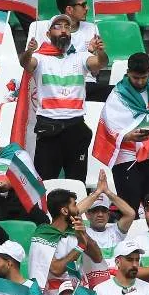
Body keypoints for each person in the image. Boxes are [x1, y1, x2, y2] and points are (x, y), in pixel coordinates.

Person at [19, 14, 108, 181]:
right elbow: (26, 63)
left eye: (67, 27)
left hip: (75, 126)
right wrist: (29, 51)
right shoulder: (40, 57)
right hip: (49, 127)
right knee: (45, 181)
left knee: (77, 180)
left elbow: (100, 63)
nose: (64, 30)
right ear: (48, 34)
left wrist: (100, 51)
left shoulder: (80, 56)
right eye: (58, 27)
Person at [97, 53, 149, 212]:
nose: (140, 81)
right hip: (126, 158)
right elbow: (109, 127)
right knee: (129, 209)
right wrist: (128, 136)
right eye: (135, 77)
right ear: (128, 72)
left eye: (144, 77)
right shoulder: (117, 95)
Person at [28, 189, 102, 295]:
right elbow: (56, 269)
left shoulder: (75, 231)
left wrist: (84, 235)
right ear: (64, 211)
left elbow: (98, 257)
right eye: (74, 205)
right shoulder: (43, 234)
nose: (78, 210)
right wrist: (80, 246)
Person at [77, 181, 136, 288]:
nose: (100, 214)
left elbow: (130, 214)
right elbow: (74, 213)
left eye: (104, 211)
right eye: (95, 211)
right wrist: (98, 192)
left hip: (116, 286)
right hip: (91, 286)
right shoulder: (81, 231)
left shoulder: (115, 231)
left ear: (108, 214)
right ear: (87, 214)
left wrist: (108, 192)